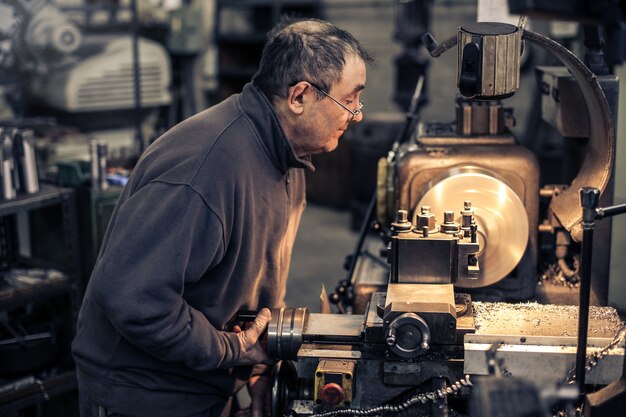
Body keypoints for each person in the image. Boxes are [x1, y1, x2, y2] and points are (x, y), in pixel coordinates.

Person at [72, 17, 373, 417]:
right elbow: (134, 299)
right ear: (299, 96)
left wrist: (260, 365)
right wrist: (233, 349)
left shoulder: (287, 156)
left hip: (204, 382)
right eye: (349, 100)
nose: (357, 115)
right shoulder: (205, 170)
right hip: (145, 396)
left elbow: (253, 286)